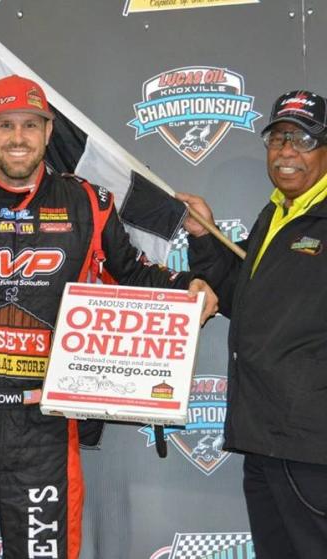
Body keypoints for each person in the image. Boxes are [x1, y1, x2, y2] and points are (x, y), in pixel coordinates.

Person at [0, 75, 218, 559]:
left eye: (31, 125)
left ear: (49, 132)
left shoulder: (87, 204)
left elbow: (132, 274)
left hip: (46, 419)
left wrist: (187, 287)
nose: (18, 137)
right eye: (5, 125)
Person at [177, 90, 327, 559]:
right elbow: (242, 297)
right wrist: (203, 235)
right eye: (278, 138)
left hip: (309, 444)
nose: (286, 151)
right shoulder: (278, 214)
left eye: (303, 138)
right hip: (264, 439)